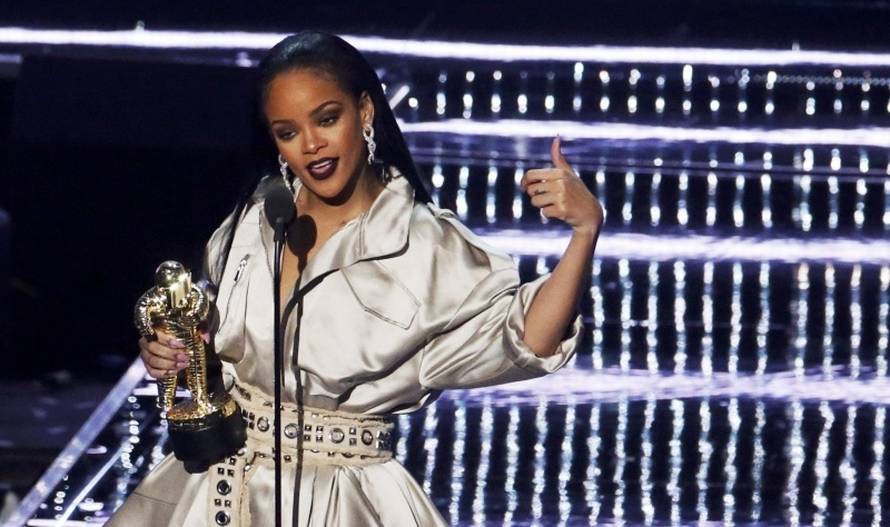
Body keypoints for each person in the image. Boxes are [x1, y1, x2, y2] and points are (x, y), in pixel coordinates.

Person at [109, 30, 603, 526]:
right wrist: (177, 352)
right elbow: (217, 335)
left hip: (341, 498)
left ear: (364, 111)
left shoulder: (427, 246)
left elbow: (527, 338)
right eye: (287, 131)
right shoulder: (259, 217)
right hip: (217, 484)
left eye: (327, 119)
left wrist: (584, 232)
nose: (311, 145)